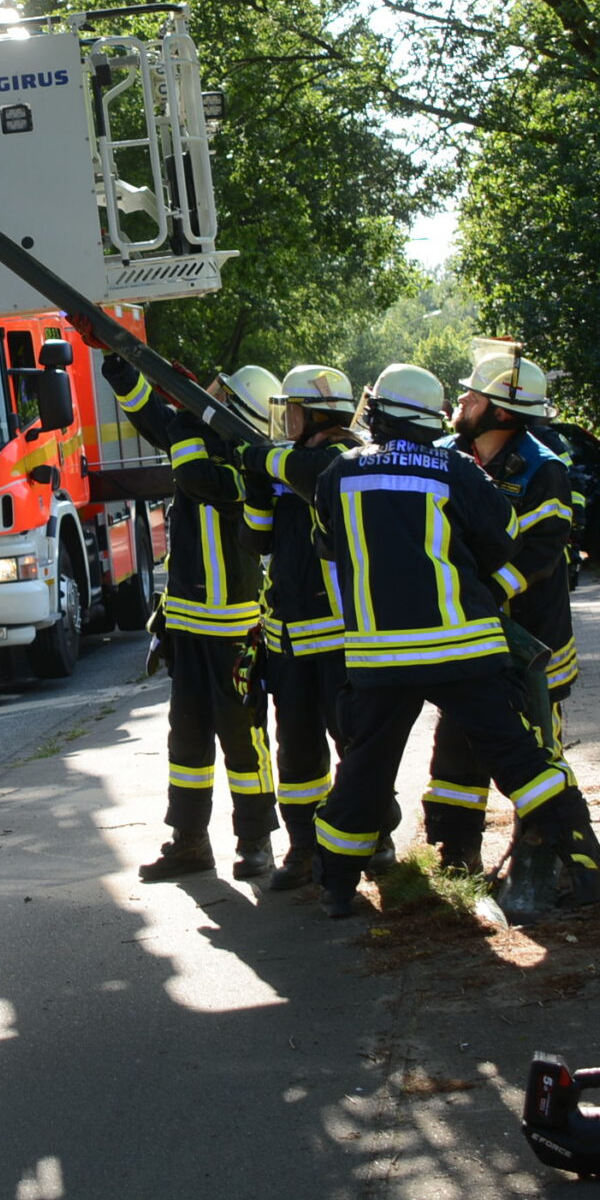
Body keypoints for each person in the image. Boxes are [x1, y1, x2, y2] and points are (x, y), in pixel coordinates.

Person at [309, 364, 600, 919]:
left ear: (379, 411)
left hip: (378, 653)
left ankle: (336, 888)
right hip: (463, 644)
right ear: (426, 417)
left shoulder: (338, 471)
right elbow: (504, 538)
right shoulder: (453, 466)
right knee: (518, 757)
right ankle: (584, 864)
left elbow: (330, 552)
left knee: (364, 770)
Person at [417, 342, 600, 877]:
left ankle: (545, 851)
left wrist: (489, 594)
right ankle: (456, 853)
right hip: (470, 634)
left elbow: (543, 552)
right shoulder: (450, 453)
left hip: (531, 638)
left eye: (472, 395)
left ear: (500, 411)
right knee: (457, 742)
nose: (462, 400)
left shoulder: (542, 470)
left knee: (536, 745)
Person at [103, 355, 281, 883]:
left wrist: (183, 417)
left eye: (218, 395)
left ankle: (255, 842)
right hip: (186, 627)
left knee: (244, 741)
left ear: (237, 413)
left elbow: (194, 473)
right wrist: (121, 365)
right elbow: (151, 416)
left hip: (234, 633)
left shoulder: (248, 466)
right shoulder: (195, 439)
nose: (208, 396)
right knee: (187, 742)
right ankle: (189, 842)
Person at [240, 365, 366, 890]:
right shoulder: (285, 464)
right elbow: (258, 540)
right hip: (287, 636)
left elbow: (313, 470)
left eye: (292, 408)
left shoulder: (344, 457)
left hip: (338, 635)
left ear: (318, 414)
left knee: (355, 740)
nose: (285, 418)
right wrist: (256, 484)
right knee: (296, 749)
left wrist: (262, 460)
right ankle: (304, 846)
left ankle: (372, 836)